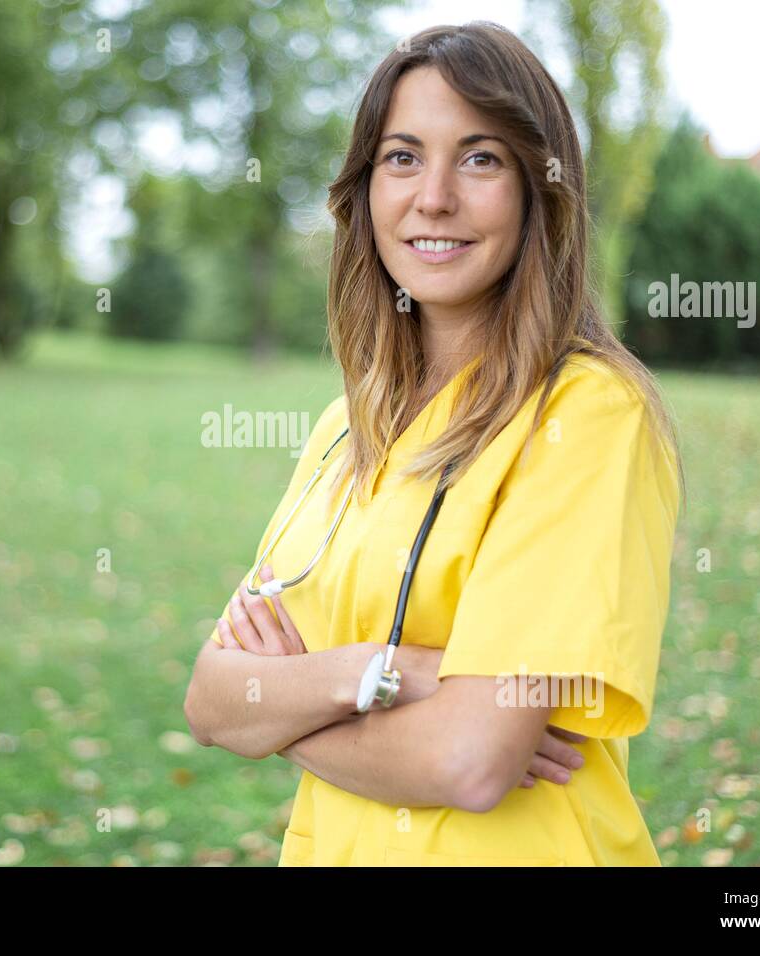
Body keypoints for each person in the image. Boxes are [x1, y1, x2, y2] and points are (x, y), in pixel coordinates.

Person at [184, 21, 683, 867]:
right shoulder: (346, 426)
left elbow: (469, 760)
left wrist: (284, 714)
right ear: (365, 188)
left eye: (480, 158)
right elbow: (210, 700)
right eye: (403, 157)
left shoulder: (589, 415)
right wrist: (399, 673)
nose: (435, 197)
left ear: (538, 187)